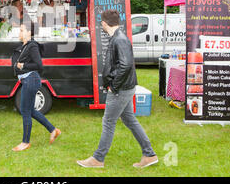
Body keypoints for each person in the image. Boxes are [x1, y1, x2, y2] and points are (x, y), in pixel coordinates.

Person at [77, 9, 157, 168]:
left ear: (105, 24)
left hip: (121, 89)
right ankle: (149, 154)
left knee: (108, 121)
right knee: (130, 120)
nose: (101, 25)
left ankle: (98, 159)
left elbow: (126, 65)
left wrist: (114, 85)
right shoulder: (118, 37)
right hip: (126, 88)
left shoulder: (119, 39)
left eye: (101, 23)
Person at [11, 22, 61, 152]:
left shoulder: (32, 46)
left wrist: (23, 66)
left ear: (29, 33)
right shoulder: (25, 46)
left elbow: (39, 65)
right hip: (29, 80)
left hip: (31, 80)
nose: (19, 33)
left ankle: (25, 142)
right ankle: (53, 130)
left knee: (25, 111)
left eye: (22, 30)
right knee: (30, 111)